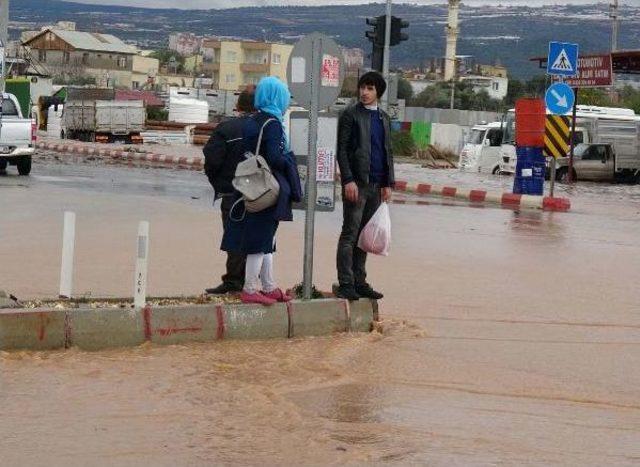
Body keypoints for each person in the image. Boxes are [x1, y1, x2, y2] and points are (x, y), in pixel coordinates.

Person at [220, 77, 297, 306]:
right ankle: (252, 287)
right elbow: (274, 156)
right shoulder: (273, 123)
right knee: (262, 238)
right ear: (277, 97)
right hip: (268, 188)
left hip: (251, 187)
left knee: (266, 239)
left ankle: (269, 285)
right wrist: (289, 162)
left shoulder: (253, 120)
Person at [335, 71, 395, 301]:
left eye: (370, 88)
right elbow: (342, 149)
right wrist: (348, 179)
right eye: (362, 87)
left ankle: (360, 282)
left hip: (377, 186)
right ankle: (346, 282)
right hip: (356, 184)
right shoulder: (350, 114)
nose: (364, 92)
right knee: (350, 234)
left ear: (378, 92)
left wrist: (388, 182)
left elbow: (387, 151)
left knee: (365, 236)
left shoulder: (384, 118)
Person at [203, 86, 256, 295]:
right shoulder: (267, 128)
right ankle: (253, 282)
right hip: (261, 195)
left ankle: (234, 282)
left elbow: (212, 160)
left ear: (237, 106)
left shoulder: (226, 128)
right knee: (258, 239)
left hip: (231, 193)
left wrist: (220, 185)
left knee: (234, 237)